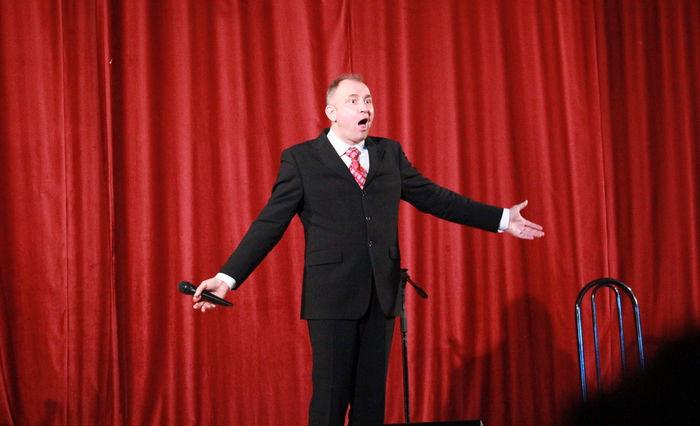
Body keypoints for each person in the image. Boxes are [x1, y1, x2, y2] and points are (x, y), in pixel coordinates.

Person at [193, 74, 544, 425]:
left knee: (371, 405)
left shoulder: (388, 153)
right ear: (331, 112)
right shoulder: (301, 160)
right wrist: (227, 278)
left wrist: (501, 218)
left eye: (368, 100)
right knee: (329, 403)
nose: (365, 108)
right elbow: (269, 224)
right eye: (353, 101)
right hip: (331, 297)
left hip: (381, 295)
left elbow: (435, 198)